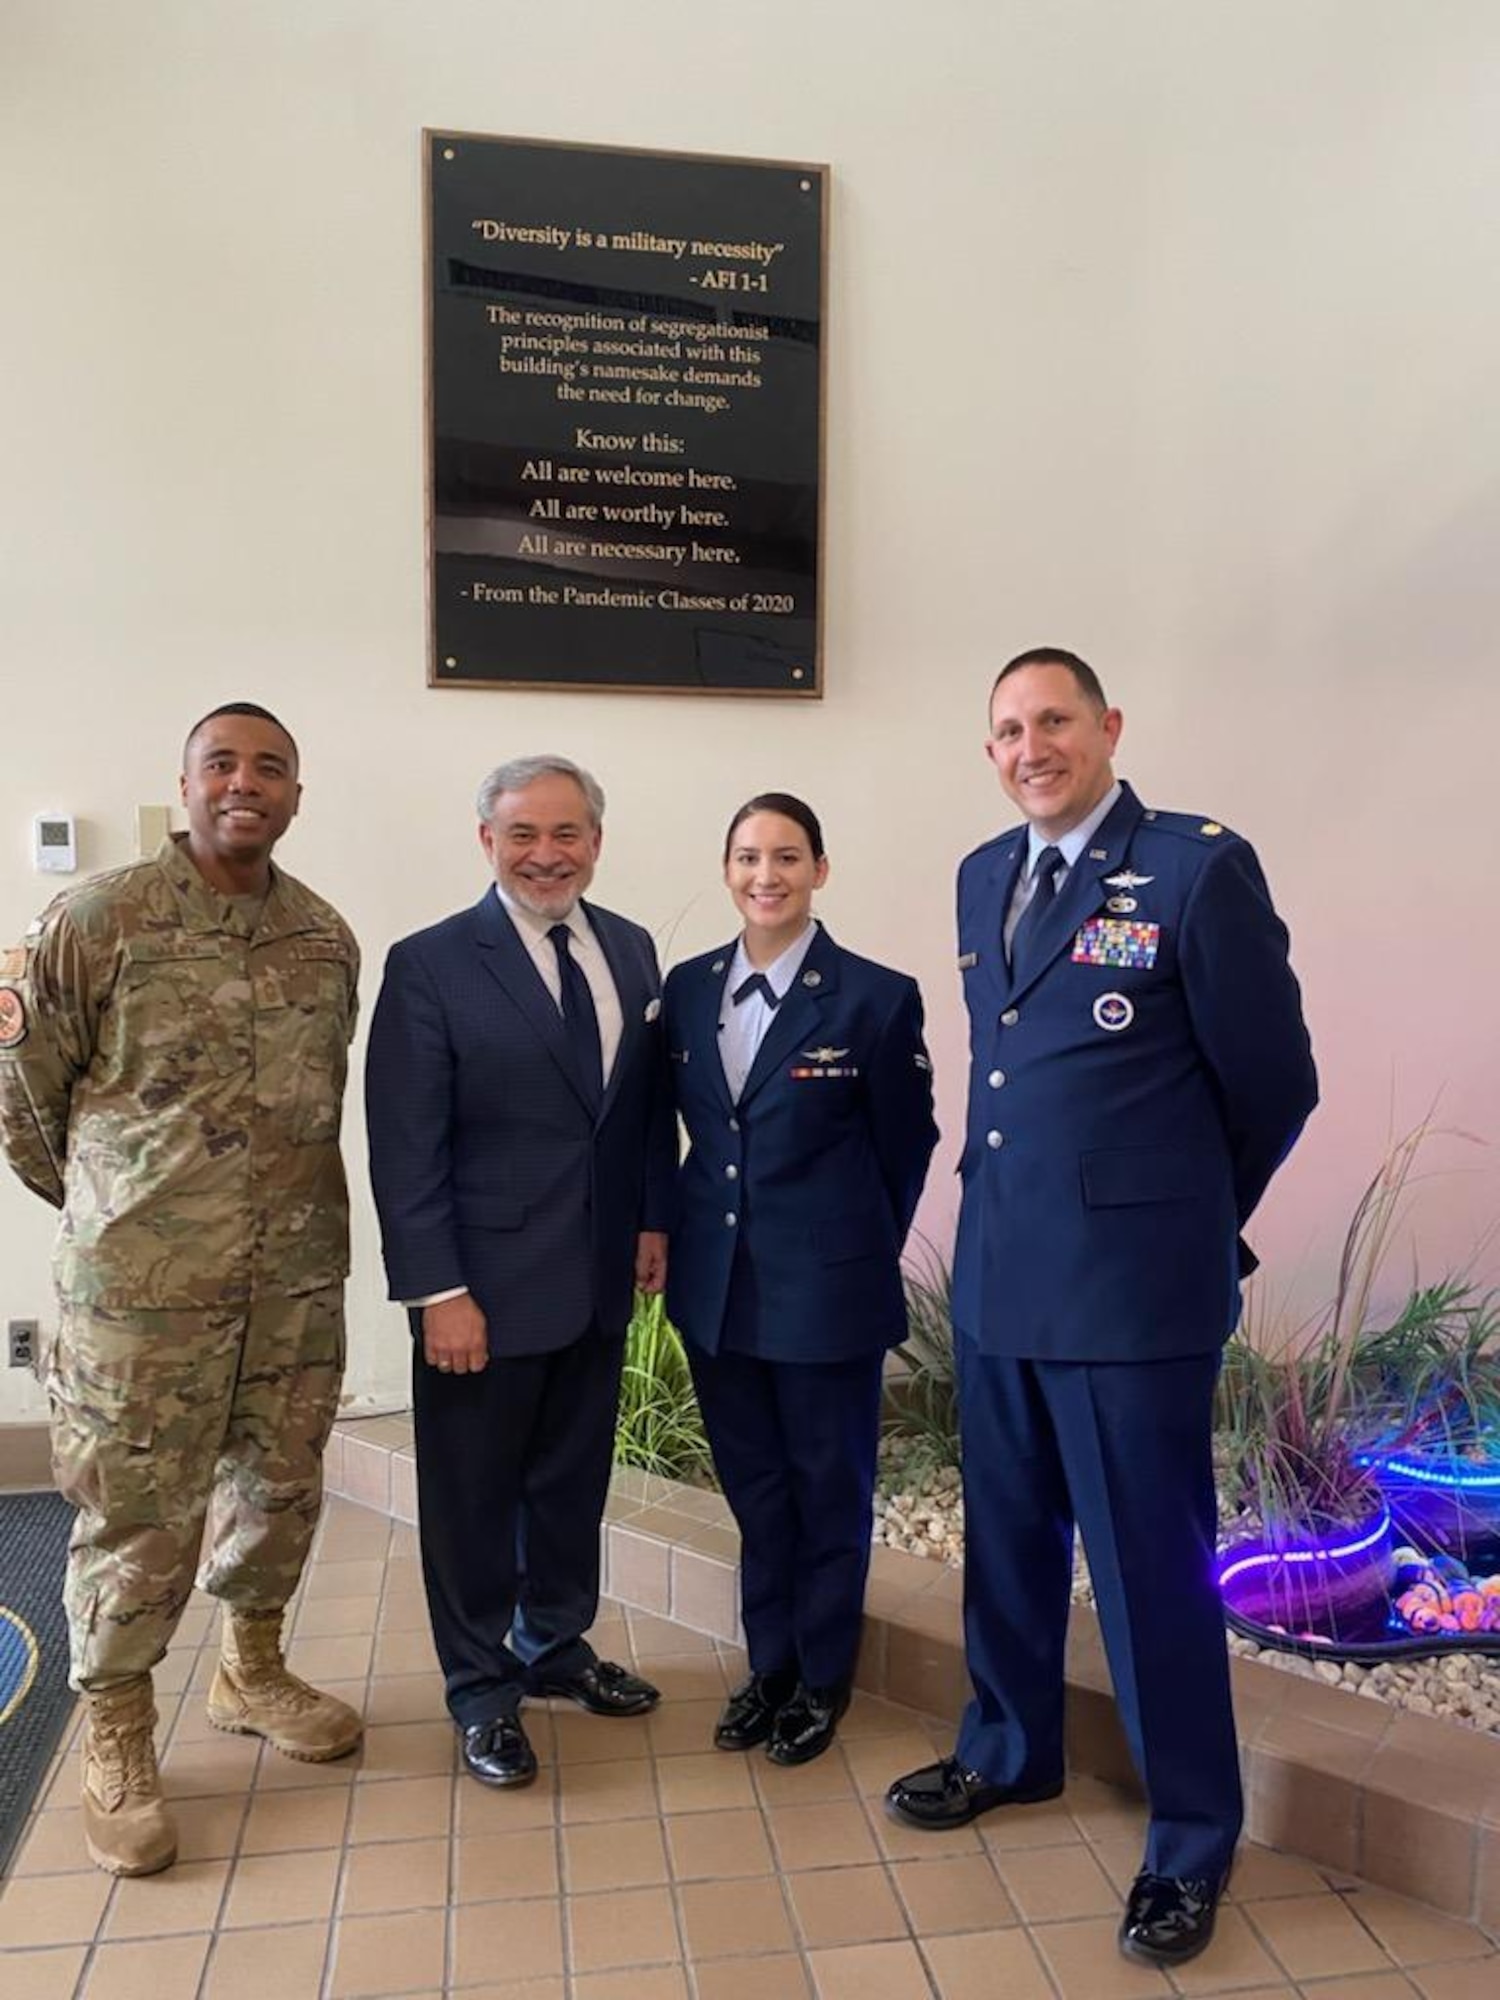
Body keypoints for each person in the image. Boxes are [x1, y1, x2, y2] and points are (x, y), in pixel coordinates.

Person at [884, 649, 1318, 1969]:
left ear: (1108, 727)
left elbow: (1277, 1083)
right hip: (1007, 1281)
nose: (1032, 746)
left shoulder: (1195, 868)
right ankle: (1010, 1751)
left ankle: (1191, 1836)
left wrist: (1180, 1224)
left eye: (1055, 720)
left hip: (1134, 1302)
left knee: (1147, 1577)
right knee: (1006, 1550)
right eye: (1009, 729)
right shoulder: (980, 874)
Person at [0, 703, 363, 1878]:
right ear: (188, 783)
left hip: (296, 1281)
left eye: (271, 768)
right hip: (141, 1298)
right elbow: (25, 1100)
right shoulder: (99, 918)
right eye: (223, 763)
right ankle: (116, 1731)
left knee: (280, 1481)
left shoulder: (324, 936)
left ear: (297, 796)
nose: (245, 783)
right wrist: (123, 1214)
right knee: (133, 1514)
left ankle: (250, 1668)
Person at [365, 755, 676, 1789]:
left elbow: (633, 1115)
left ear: (596, 839)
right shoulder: (432, 963)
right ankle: (481, 1689)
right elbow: (405, 1146)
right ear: (485, 839)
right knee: (470, 1497)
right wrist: (436, 1290)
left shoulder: (629, 948)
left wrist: (646, 1222)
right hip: (479, 1294)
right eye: (523, 833)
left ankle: (554, 1645)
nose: (547, 852)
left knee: (567, 1486)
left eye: (568, 832)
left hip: (592, 1283)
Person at [664, 794, 938, 1764]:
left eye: (787, 855)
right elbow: (679, 1136)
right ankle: (768, 1665)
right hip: (717, 1292)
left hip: (827, 1296)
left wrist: (853, 1246)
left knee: (829, 1489)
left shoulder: (873, 995)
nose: (765, 874)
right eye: (747, 855)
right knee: (757, 1488)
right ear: (726, 867)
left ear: (821, 867)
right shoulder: (689, 989)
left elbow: (907, 1145)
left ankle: (822, 1677)